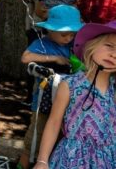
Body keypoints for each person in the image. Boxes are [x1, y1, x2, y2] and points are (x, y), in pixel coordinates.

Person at [34, 20, 116, 168]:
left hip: (109, 160)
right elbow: (53, 123)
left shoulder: (114, 91)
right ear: (92, 46)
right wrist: (42, 161)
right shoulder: (69, 85)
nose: (114, 55)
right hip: (71, 159)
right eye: (109, 46)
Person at [17, 5, 83, 169]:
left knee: (60, 136)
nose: (68, 38)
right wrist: (53, 58)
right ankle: (21, 165)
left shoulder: (75, 44)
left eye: (72, 34)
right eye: (64, 34)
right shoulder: (43, 42)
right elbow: (26, 58)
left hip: (68, 101)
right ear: (51, 30)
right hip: (44, 101)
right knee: (35, 138)